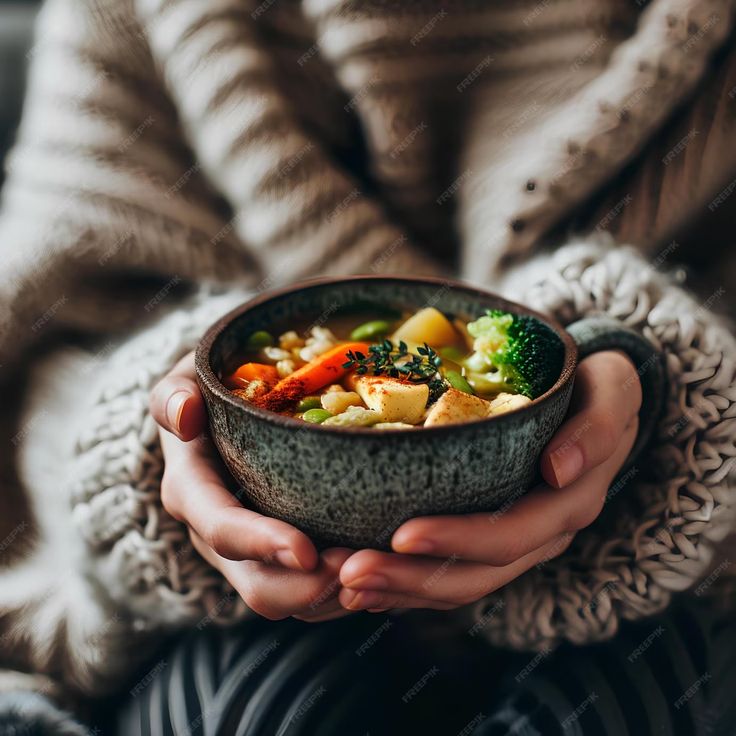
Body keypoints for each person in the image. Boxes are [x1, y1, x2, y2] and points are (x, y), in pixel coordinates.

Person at [0, 0, 734, 732]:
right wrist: (149, 456)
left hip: (669, 604)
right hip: (231, 629)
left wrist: (667, 398)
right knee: (247, 706)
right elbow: (49, 336)